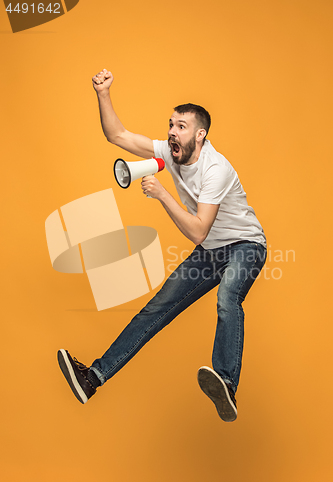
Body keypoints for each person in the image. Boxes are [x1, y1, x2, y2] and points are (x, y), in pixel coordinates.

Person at [57, 69, 267, 422]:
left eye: (181, 126)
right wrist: (103, 93)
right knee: (155, 311)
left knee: (228, 296)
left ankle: (226, 383)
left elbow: (199, 231)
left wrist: (162, 194)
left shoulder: (216, 169)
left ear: (200, 134)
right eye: (171, 124)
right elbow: (117, 134)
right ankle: (92, 378)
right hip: (212, 251)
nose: (172, 131)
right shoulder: (170, 154)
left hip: (246, 245)